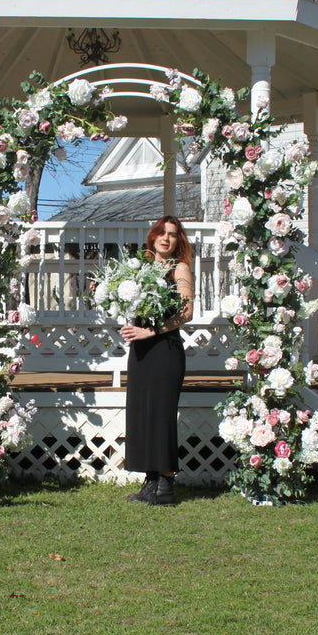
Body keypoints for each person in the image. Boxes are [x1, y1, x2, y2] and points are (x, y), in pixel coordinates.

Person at [120, 216, 195, 505]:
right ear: (152, 237)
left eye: (173, 234)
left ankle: (165, 485)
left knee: (161, 415)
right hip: (141, 351)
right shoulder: (141, 268)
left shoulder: (180, 269)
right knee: (142, 413)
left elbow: (186, 313)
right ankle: (150, 483)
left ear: (178, 241)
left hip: (164, 349)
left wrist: (150, 330)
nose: (166, 238)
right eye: (161, 233)